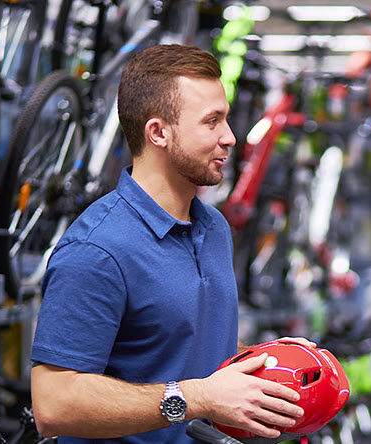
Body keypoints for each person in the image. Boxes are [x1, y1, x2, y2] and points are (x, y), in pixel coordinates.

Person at [29, 45, 311, 444]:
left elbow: (186, 347)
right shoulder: (97, 250)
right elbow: (55, 406)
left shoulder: (212, 227)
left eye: (225, 119)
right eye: (211, 122)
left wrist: (268, 360)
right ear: (158, 132)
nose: (230, 137)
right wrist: (197, 399)